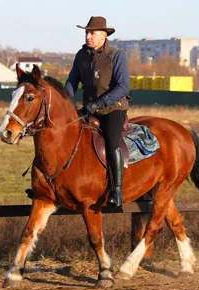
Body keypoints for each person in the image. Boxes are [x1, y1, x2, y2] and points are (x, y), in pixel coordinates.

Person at [65, 16, 130, 207]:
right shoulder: (81, 55)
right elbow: (71, 81)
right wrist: (67, 102)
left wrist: (99, 103)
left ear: (103, 35)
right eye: (87, 32)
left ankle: (117, 190)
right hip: (88, 108)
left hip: (113, 108)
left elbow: (123, 87)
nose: (88, 36)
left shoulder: (116, 56)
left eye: (92, 33)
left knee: (111, 140)